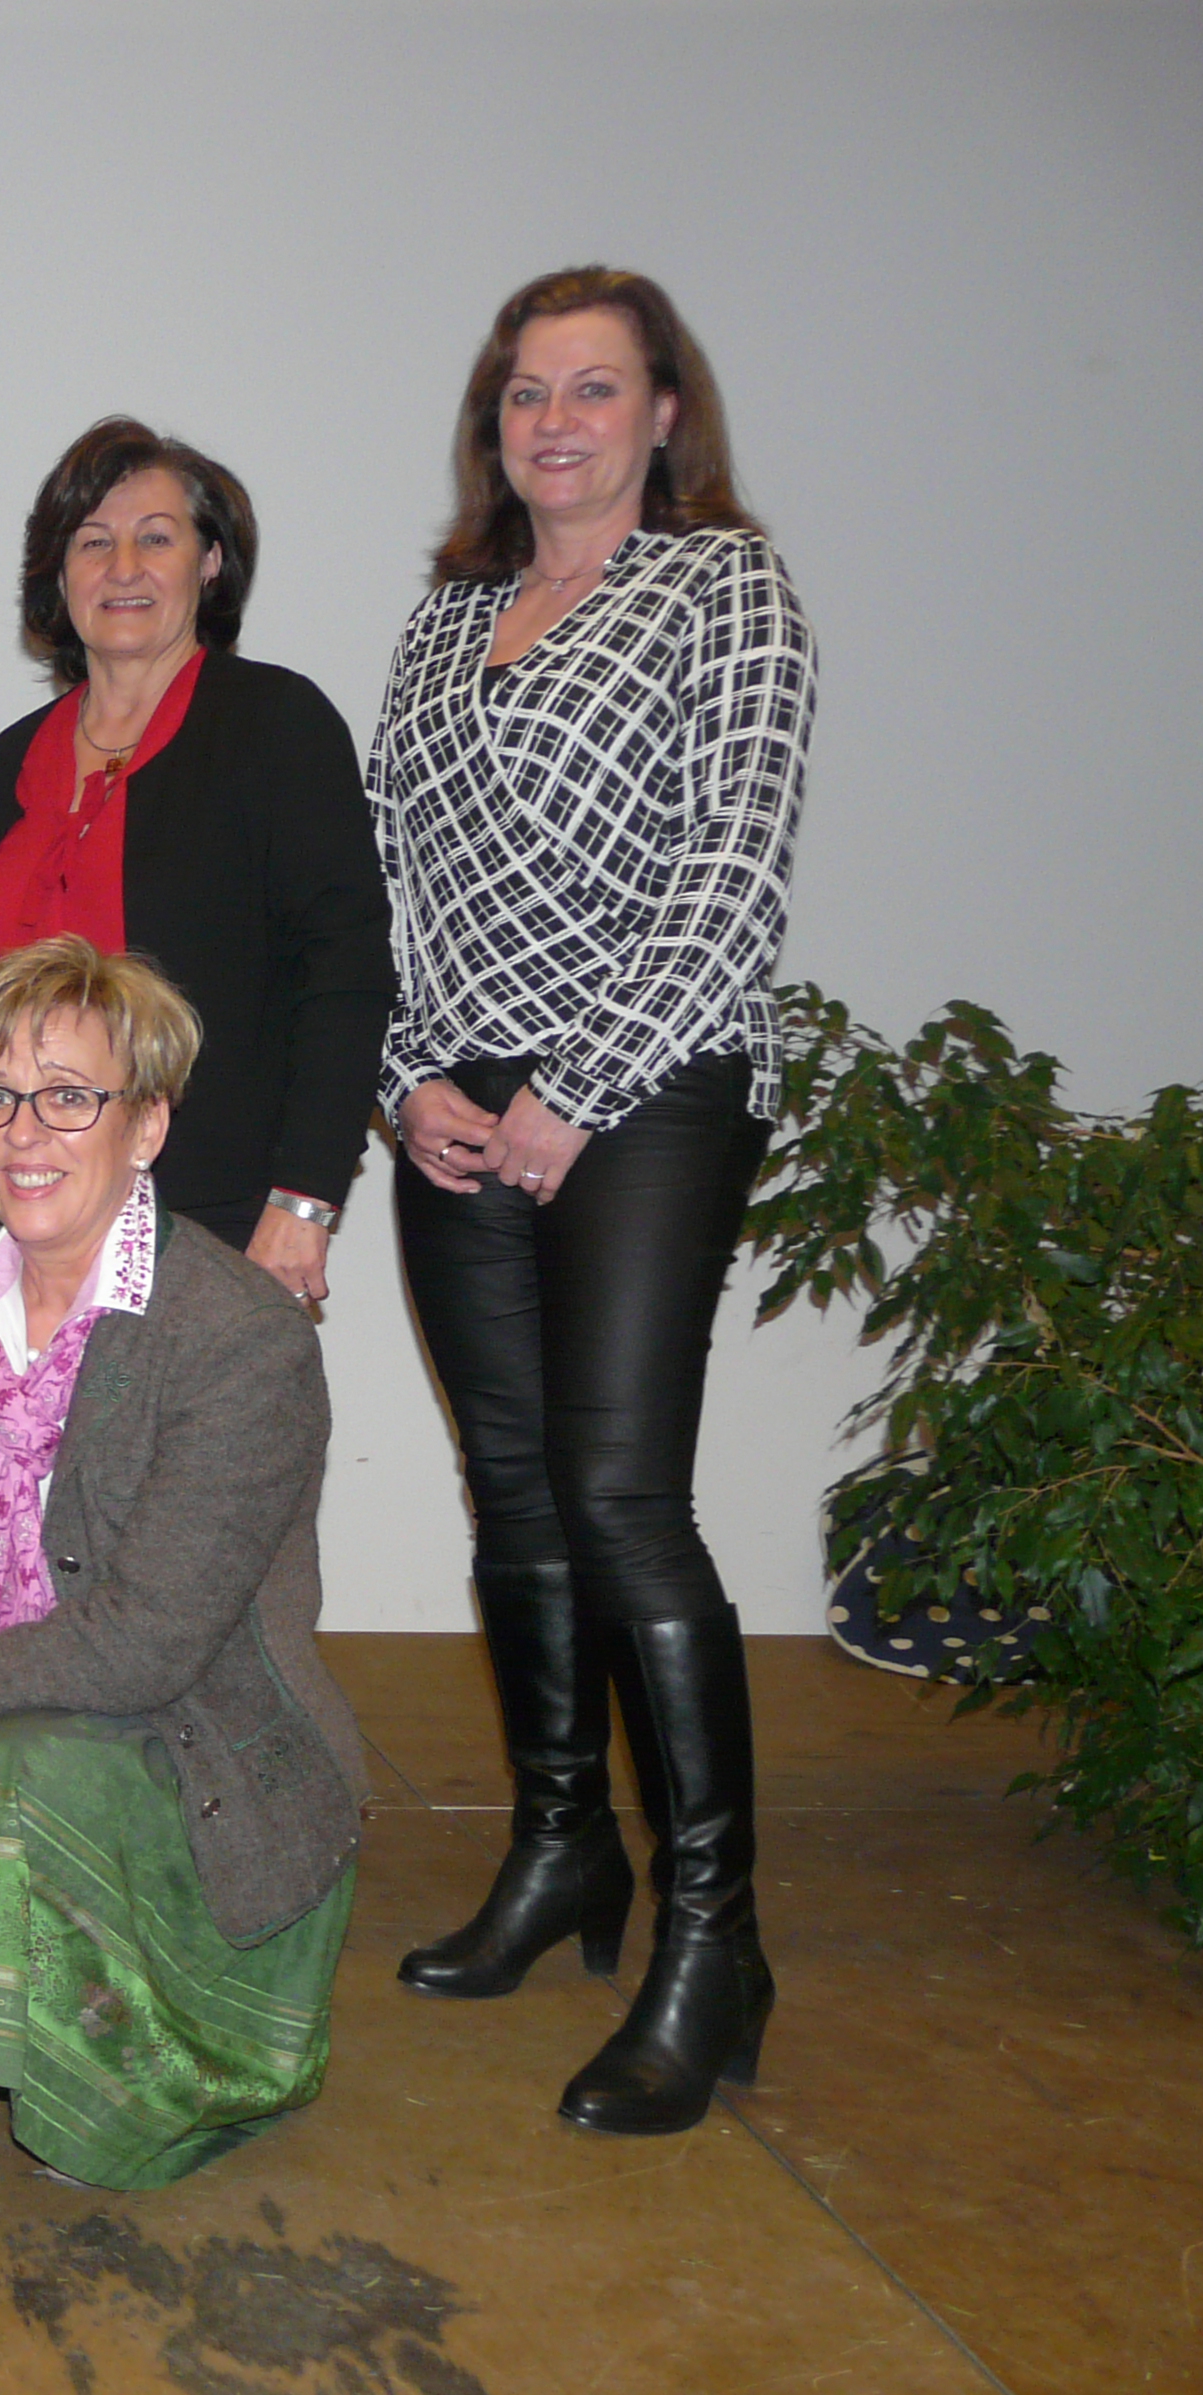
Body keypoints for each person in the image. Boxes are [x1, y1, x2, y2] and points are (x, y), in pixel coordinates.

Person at [370, 265, 816, 2137]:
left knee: (623, 1497)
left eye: (592, 388)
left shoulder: (725, 591)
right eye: (524, 393)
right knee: (515, 1493)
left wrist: (578, 1086)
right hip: (460, 1102)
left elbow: (733, 868)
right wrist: (407, 1077)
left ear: (661, 413)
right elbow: (393, 868)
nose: (553, 422)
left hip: (653, 1088)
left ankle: (715, 1939)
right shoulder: (444, 614)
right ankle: (564, 1848)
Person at [0, 936, 364, 2190]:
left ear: (147, 1125)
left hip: (183, 1749)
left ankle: (130, 2061)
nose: (24, 1135)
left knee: (13, 1779)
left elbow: (145, 1642)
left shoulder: (238, 1335)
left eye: (70, 1097)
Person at [0, 419, 391, 1306]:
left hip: (214, 1217)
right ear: (59, 575)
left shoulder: (277, 725)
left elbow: (344, 973)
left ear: (211, 562)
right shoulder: (10, 761)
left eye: (156, 538)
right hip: (19, 1215)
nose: (123, 567)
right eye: (93, 542)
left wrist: (305, 1197)